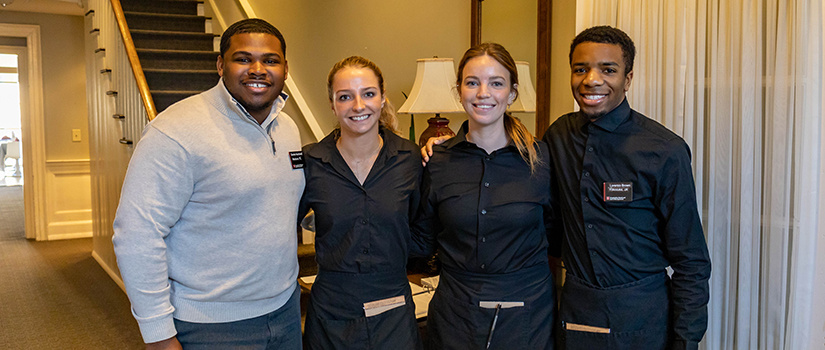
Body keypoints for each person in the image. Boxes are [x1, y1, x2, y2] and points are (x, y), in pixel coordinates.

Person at [112, 19, 305, 349]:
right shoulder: (176, 130)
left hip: (285, 312)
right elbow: (137, 234)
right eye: (243, 58)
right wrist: (158, 333)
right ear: (220, 64)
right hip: (210, 326)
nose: (257, 69)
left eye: (270, 60)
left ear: (285, 69)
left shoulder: (287, 127)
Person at [542, 26, 711, 349]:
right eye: (581, 69)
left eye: (608, 70)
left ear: (628, 79)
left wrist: (685, 342)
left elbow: (691, 262)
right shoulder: (558, 136)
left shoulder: (665, 150)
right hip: (577, 313)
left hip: (643, 319)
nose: (592, 79)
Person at [411, 43, 559, 349]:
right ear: (459, 91)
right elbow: (422, 241)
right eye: (472, 82)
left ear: (512, 93)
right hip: (455, 315)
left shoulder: (543, 160)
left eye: (496, 83)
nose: (483, 93)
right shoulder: (437, 161)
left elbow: (557, 234)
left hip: (527, 315)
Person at [298, 56, 424, 349]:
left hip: (393, 309)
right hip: (331, 313)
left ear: (382, 99)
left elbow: (423, 228)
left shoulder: (410, 159)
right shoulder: (311, 161)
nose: (358, 106)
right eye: (345, 97)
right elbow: (280, 226)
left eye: (368, 93)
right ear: (332, 104)